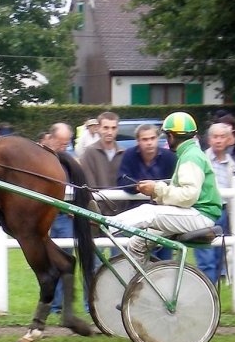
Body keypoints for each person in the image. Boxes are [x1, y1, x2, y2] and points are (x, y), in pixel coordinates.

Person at [110, 112, 222, 266]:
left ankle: (106, 225)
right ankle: (140, 285)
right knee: (137, 243)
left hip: (199, 215)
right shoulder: (190, 154)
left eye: (166, 135)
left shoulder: (191, 157)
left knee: (148, 212)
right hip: (196, 214)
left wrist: (156, 189)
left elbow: (188, 195)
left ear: (171, 136)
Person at [117, 124, 178, 261]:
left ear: (158, 139)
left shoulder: (170, 158)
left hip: (164, 217)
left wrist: (156, 189)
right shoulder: (129, 155)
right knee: (138, 259)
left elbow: (176, 183)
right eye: (145, 139)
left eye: (152, 138)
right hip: (137, 216)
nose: (149, 142)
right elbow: (121, 180)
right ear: (138, 141)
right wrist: (139, 187)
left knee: (164, 261)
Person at [194, 123, 235, 285]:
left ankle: (213, 295)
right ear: (209, 139)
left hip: (224, 213)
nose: (218, 140)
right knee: (206, 258)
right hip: (204, 211)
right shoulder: (201, 160)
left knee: (220, 257)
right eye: (215, 136)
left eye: (222, 137)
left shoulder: (232, 164)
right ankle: (207, 296)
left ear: (228, 140)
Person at [44, 123, 76, 313]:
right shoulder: (38, 158)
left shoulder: (69, 160)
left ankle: (61, 306)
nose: (64, 147)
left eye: (67, 143)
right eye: (61, 143)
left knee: (62, 258)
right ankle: (55, 306)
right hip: (48, 216)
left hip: (64, 217)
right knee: (48, 261)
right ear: (51, 138)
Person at [79, 111, 128, 216]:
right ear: (99, 128)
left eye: (113, 128)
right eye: (106, 127)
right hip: (97, 215)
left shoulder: (125, 154)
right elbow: (89, 185)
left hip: (122, 215)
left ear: (117, 129)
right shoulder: (89, 153)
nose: (110, 132)